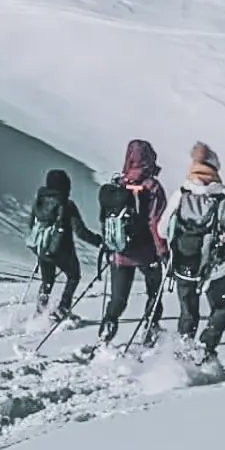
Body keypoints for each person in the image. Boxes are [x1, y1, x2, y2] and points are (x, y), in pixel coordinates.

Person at [158, 142, 225, 367]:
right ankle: (205, 347)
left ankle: (182, 355)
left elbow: (162, 230)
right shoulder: (221, 201)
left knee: (188, 313)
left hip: (183, 266)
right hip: (213, 269)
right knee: (222, 307)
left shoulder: (180, 195)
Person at [97, 138, 168, 347]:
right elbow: (155, 222)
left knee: (118, 299)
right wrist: (162, 250)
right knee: (154, 293)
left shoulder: (119, 184)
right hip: (146, 252)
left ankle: (107, 329)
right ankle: (150, 330)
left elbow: (105, 218)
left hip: (119, 251)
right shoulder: (152, 186)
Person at [27, 168, 101, 322]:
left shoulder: (38, 201)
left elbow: (31, 224)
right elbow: (80, 232)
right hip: (63, 250)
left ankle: (40, 312)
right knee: (73, 276)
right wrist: (99, 241)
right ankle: (63, 308)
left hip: (42, 248)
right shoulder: (66, 205)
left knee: (47, 281)